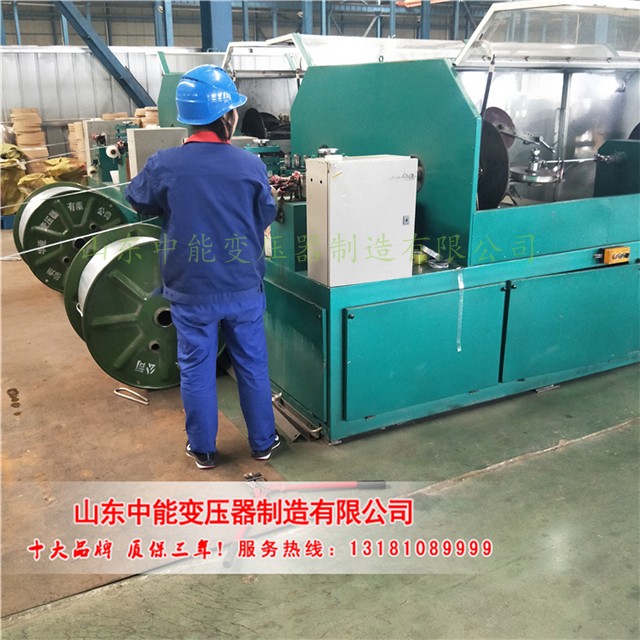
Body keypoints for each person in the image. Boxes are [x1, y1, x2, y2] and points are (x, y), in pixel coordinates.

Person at [126, 65, 279, 469]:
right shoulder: (249, 165)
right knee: (252, 364)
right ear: (228, 116)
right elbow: (265, 212)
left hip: (191, 289)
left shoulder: (165, 163)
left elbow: (137, 199)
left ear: (187, 117)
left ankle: (204, 450)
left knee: (196, 368)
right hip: (242, 285)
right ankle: (262, 443)